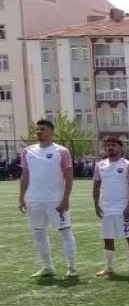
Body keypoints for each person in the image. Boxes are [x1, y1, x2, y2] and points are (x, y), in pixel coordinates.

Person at [19, 119, 78, 278]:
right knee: (38, 233)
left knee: (65, 232)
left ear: (51, 132)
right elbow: (25, 175)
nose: (39, 132)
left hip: (55, 200)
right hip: (34, 200)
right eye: (38, 129)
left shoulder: (62, 151)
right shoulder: (27, 151)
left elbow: (69, 176)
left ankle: (72, 268)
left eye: (43, 129)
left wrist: (65, 198)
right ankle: (47, 267)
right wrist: (22, 197)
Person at [91, 136, 129, 276]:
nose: (110, 148)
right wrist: (96, 205)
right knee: (107, 237)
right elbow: (96, 186)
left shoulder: (127, 165)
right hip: (106, 207)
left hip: (123, 207)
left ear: (120, 147)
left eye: (113, 145)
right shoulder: (100, 165)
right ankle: (109, 267)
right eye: (108, 145)